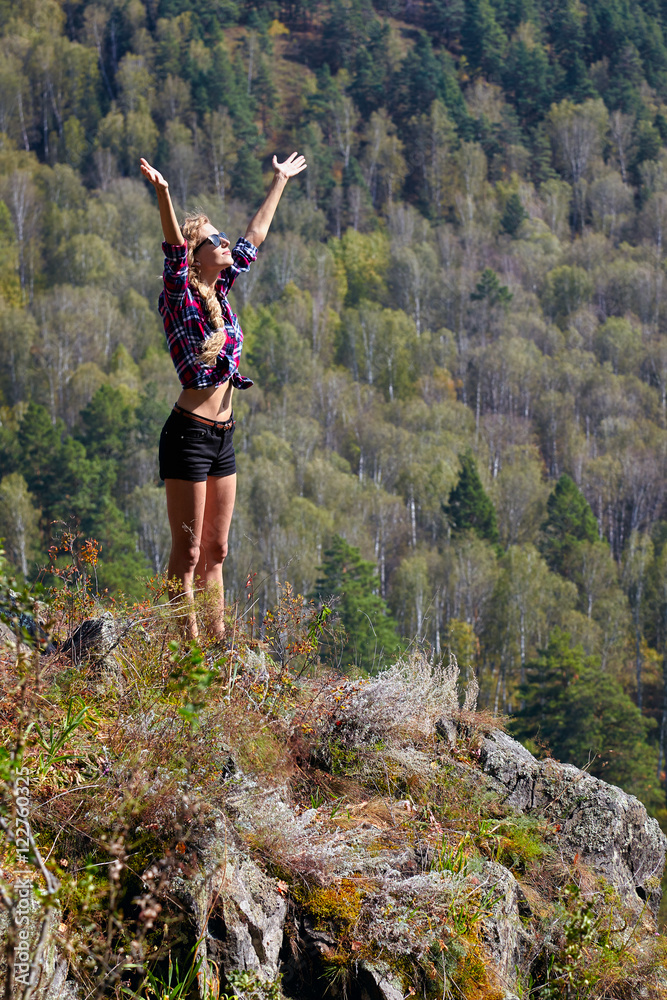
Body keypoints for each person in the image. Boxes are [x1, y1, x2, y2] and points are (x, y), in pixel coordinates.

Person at [140, 152, 307, 640]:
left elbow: (254, 238)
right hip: (188, 434)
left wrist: (279, 181)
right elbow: (173, 246)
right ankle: (188, 653)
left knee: (217, 550)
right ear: (196, 254)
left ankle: (215, 647)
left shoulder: (223, 288)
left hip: (223, 436)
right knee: (188, 553)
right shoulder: (179, 293)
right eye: (214, 240)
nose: (224, 243)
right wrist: (164, 193)